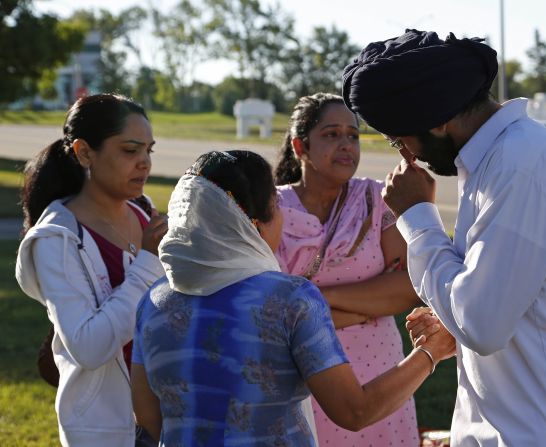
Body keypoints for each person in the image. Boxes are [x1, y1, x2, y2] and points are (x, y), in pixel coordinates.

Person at [342, 29, 546, 446]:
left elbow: (482, 323)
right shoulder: (501, 158)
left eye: (400, 140)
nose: (407, 157)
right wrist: (452, 314)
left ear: (436, 118)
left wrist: (417, 218)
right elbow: (499, 302)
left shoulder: (518, 163)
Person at [130, 150, 456, 446]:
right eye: (277, 209)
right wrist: (430, 351)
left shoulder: (154, 302)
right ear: (253, 227)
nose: (284, 220)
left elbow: (148, 418)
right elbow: (354, 411)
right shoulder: (288, 299)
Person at [15, 94, 168, 447]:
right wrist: (147, 262)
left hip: (167, 418)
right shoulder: (56, 238)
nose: (144, 163)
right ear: (85, 153)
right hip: (108, 429)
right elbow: (88, 345)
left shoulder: (145, 214)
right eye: (130, 151)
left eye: (149, 150)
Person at [273, 92, 424, 445]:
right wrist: (363, 307)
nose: (345, 145)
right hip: (298, 380)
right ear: (301, 146)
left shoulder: (376, 198)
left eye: (353, 135)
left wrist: (313, 300)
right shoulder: (272, 208)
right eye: (331, 134)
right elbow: (268, 308)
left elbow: (409, 286)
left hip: (380, 377)